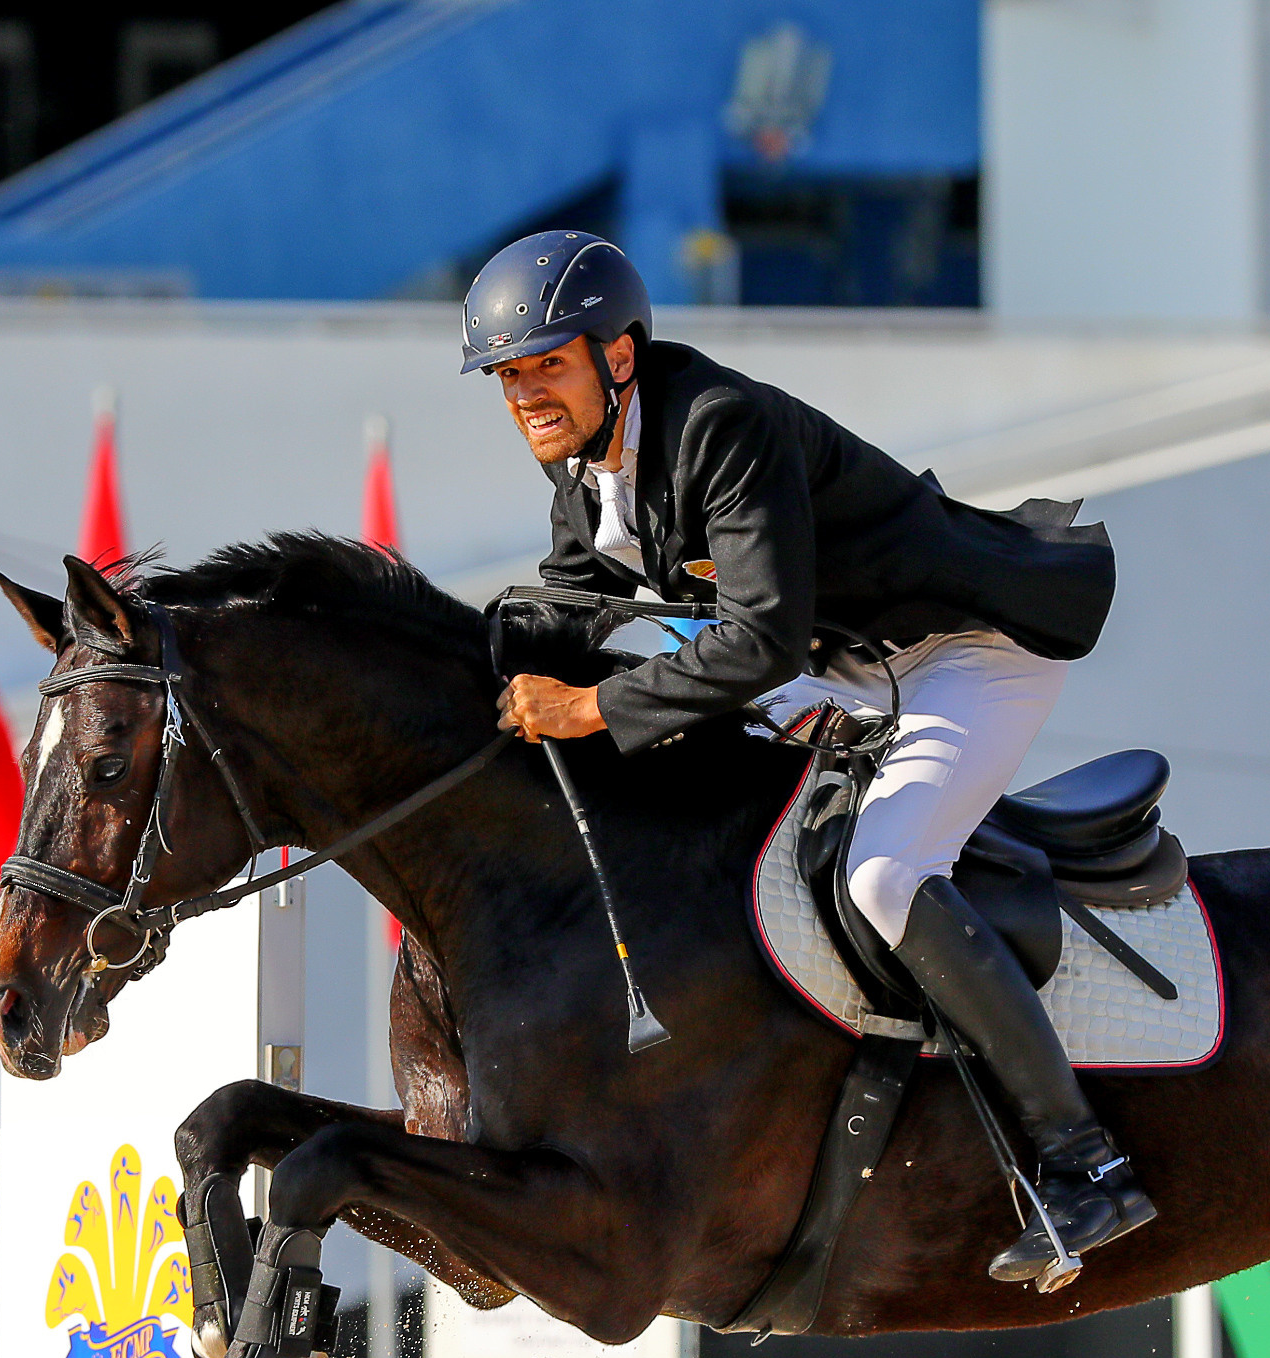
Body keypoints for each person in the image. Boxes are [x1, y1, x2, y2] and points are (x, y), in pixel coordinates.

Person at [470, 231, 1157, 1287]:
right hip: (846, 669)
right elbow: (569, 606)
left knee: (884, 873)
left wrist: (596, 705)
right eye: (510, 376)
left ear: (617, 354)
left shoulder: (718, 424)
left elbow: (756, 641)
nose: (526, 396)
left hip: (963, 653)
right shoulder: (584, 468)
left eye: (545, 365)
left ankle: (1083, 1163)